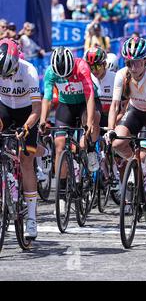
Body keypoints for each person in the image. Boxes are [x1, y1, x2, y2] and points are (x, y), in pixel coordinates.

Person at [108, 37, 146, 233]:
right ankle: (135, 165)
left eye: (136, 62)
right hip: (136, 112)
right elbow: (115, 106)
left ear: (145, 61)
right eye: (128, 62)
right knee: (117, 143)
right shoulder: (121, 75)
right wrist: (110, 129)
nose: (133, 67)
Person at [40, 47, 101, 206]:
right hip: (66, 106)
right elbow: (47, 98)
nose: (65, 78)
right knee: (59, 146)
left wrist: (88, 123)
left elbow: (89, 96)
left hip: (84, 104)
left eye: (67, 75)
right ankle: (60, 195)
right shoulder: (50, 72)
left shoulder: (81, 67)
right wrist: (43, 119)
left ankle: (91, 149)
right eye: (62, 77)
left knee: (85, 136)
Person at [0, 39, 42, 240]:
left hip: (27, 113)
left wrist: (26, 127)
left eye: (9, 73)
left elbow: (37, 110)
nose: (6, 77)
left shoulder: (29, 71)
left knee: (26, 162)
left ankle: (32, 218)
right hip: (5, 109)